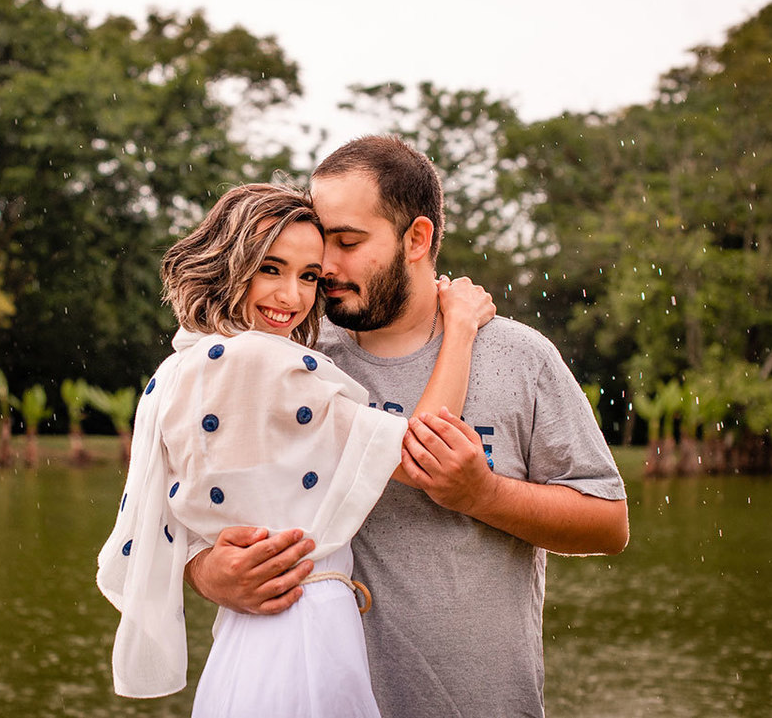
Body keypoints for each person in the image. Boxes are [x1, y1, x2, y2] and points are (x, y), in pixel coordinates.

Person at [185, 137, 630, 718]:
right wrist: (210, 574)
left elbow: (608, 524)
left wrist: (484, 494)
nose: (327, 267)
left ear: (416, 238)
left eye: (348, 241)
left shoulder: (521, 358)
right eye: (323, 242)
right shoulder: (290, 357)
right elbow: (190, 508)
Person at [96, 182, 494, 717]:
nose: (292, 297)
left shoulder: (186, 365)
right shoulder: (257, 362)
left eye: (309, 276)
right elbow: (420, 454)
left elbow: (183, 516)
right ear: (226, 263)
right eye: (270, 268)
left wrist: (206, 568)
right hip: (302, 621)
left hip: (249, 631)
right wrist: (461, 328)